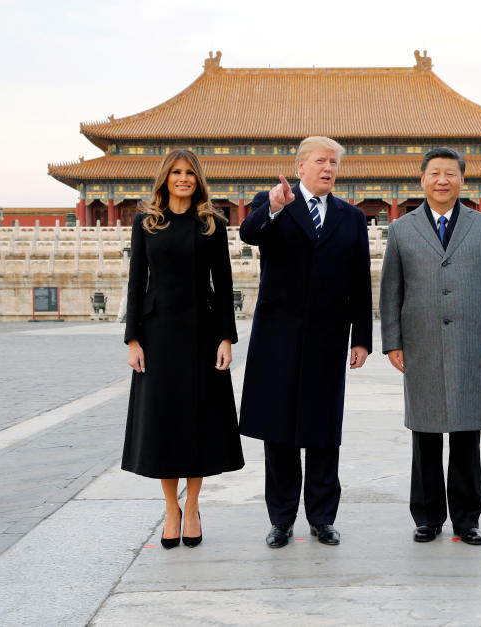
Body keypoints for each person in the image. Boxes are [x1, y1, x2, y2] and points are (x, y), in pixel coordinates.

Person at [239, 136, 373, 548]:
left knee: (322, 430)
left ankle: (322, 517)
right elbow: (249, 233)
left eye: (334, 163)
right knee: (278, 431)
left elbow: (360, 281)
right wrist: (275, 208)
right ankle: (281, 519)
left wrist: (362, 338)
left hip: (328, 337)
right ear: (300, 168)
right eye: (320, 161)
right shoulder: (275, 201)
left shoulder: (351, 218)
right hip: (278, 336)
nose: (328, 169)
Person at [379, 147, 481, 546]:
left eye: (450, 174)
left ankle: (467, 518)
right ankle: (427, 515)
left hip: (470, 341)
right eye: (435, 173)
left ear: (461, 180)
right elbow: (391, 291)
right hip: (420, 342)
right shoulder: (403, 229)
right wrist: (392, 342)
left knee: (466, 434)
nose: (442, 180)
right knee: (425, 433)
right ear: (421, 180)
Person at [122, 149, 244, 549]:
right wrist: (133, 339)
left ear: (198, 179)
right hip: (157, 336)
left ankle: (191, 507)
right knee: (163, 423)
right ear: (165, 178)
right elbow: (136, 281)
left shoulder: (211, 223)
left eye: (190, 173)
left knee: (198, 423)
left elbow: (224, 284)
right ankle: (169, 509)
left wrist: (226, 337)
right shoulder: (146, 223)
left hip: (202, 334)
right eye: (176, 172)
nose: (183, 178)